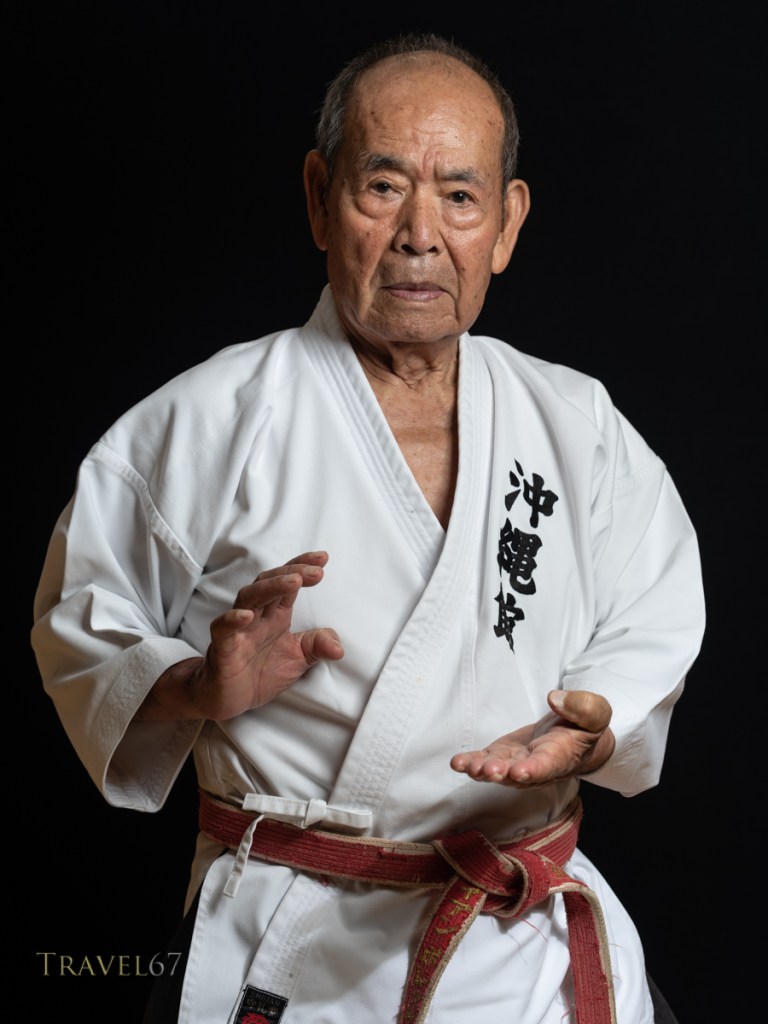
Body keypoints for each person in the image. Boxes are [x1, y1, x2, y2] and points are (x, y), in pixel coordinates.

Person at [31, 32, 705, 1024]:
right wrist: (194, 686)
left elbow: (654, 622)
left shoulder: (579, 425)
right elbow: (78, 628)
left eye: (460, 196)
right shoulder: (203, 422)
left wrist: (591, 729)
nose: (419, 234)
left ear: (507, 224)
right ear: (319, 198)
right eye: (383, 187)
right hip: (295, 949)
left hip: (527, 951)